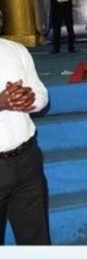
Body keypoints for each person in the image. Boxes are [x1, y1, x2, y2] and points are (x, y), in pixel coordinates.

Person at [0, 18, 51, 245]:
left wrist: (30, 99)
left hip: (27, 161)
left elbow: (41, 94)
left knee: (36, 243)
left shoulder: (16, 50)